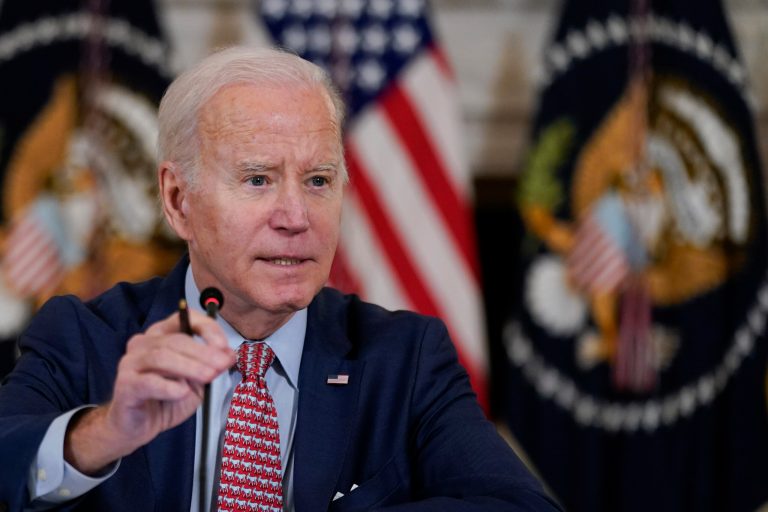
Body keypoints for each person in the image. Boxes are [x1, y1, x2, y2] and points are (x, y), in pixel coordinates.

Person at [0, 46, 561, 512]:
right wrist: (106, 433)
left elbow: (519, 507)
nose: (296, 216)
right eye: (258, 179)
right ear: (177, 201)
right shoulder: (83, 338)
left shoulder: (405, 359)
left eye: (318, 180)